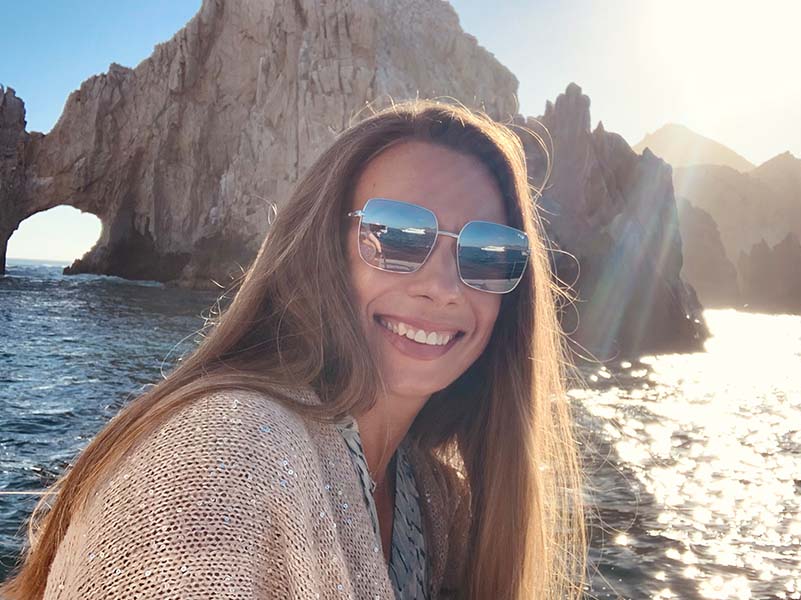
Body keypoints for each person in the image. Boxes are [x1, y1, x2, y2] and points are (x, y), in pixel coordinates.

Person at [1, 99, 587, 599]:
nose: (442, 285)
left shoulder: (437, 503)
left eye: (487, 252)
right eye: (395, 235)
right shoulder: (223, 462)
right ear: (323, 250)